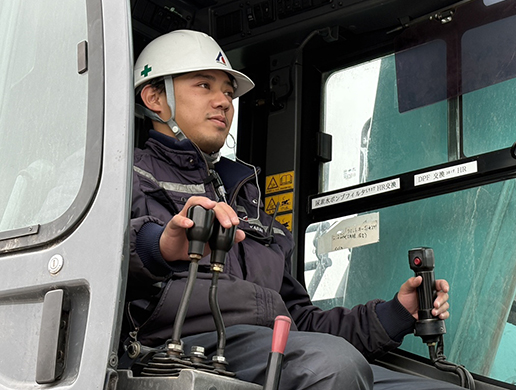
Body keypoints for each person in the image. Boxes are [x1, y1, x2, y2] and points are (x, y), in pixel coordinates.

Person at [124, 29, 461, 389]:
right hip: (179, 348)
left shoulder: (248, 204)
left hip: (277, 349)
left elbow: (301, 321)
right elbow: (110, 250)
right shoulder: (125, 175)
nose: (223, 101)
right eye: (204, 85)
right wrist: (161, 246)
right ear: (154, 97)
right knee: (331, 365)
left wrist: (397, 312)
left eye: (228, 92)